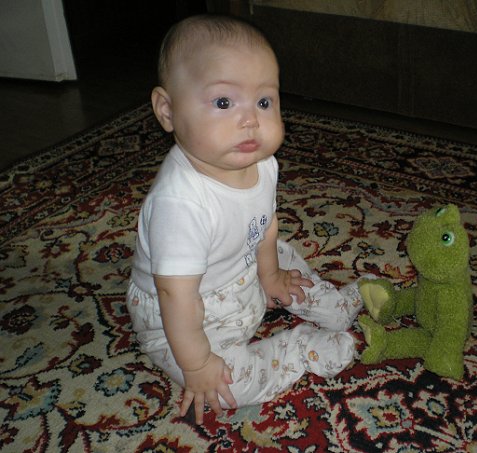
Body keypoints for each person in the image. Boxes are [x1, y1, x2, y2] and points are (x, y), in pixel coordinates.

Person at [126, 14, 364, 425]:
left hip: (244, 267)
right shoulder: (180, 203)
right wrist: (198, 364)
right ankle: (299, 349)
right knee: (223, 387)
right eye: (224, 103)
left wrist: (270, 275)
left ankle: (337, 305)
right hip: (186, 315)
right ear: (167, 111)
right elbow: (175, 296)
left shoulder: (264, 163)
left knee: (281, 252)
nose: (251, 119)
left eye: (264, 102)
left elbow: (265, 224)